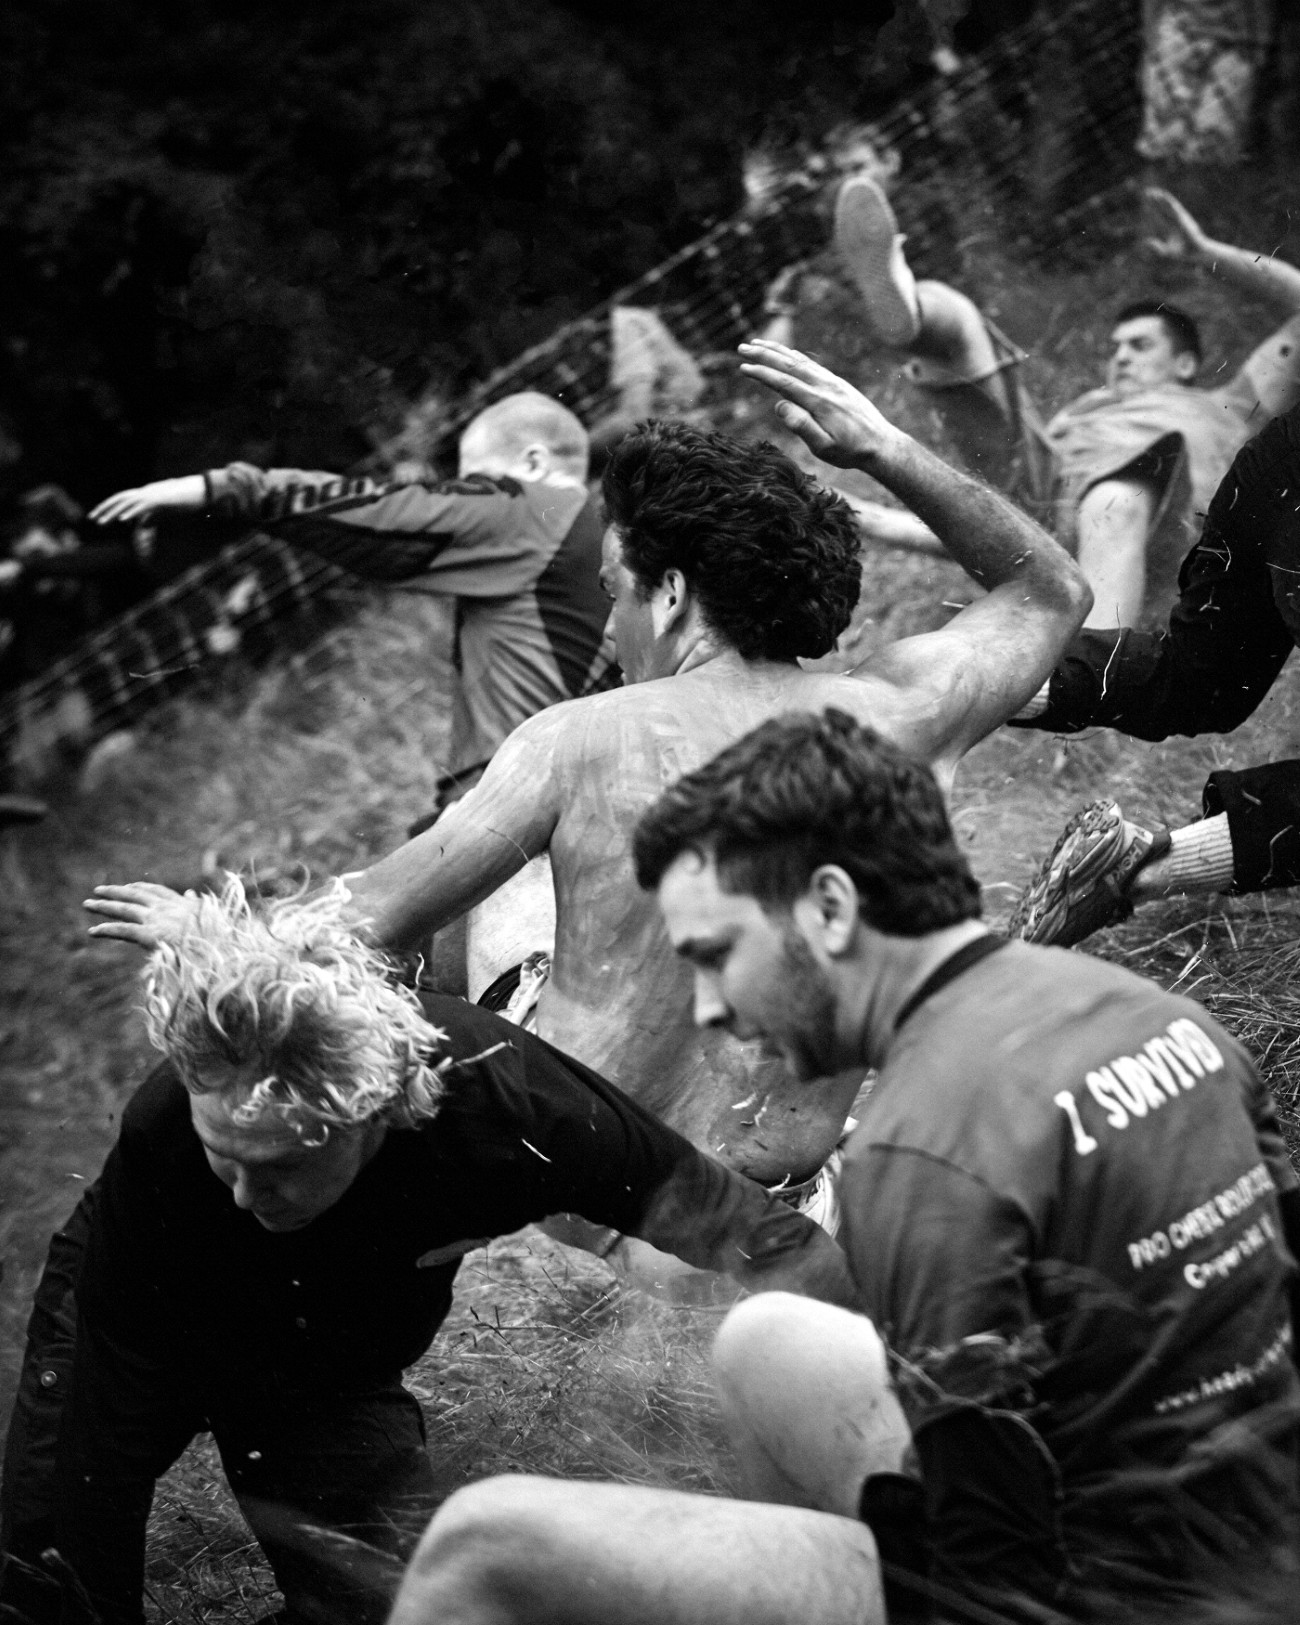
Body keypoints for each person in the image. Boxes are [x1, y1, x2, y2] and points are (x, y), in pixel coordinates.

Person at [85, 341, 1089, 1255]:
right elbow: (1049, 589)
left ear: (671, 593)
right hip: (784, 1175)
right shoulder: (904, 705)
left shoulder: (572, 741)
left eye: (614, 586)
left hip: (604, 1198)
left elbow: (366, 916)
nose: (611, 616)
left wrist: (210, 926)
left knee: (477, 885)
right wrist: (881, 447)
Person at [384, 708, 1300, 1625]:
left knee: (481, 1541)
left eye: (716, 955)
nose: (710, 1008)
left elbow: (989, 1569)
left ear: (828, 907)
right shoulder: (1167, 1020)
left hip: (1113, 1592)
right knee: (765, 1335)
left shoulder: (922, 1152)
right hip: (1258, 1527)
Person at [0, 875, 853, 1625]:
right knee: (48, 1578)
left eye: (282, 1166)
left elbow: (740, 1225)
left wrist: (912, 1360)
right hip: (143, 1313)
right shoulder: (165, 1135)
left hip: (321, 1356)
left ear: (376, 1110)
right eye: (225, 1155)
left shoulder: (510, 1106)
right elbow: (102, 1420)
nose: (246, 1196)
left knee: (394, 1600)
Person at [88, 391, 618, 822]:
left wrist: (229, 489)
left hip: (509, 803)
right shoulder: (607, 539)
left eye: (479, 478)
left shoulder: (530, 510)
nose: (473, 492)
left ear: (532, 463)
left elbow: (382, 516)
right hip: (591, 786)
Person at [834, 175, 1300, 630]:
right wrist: (869, 518)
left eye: (1139, 346)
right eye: (1114, 348)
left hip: (1152, 519)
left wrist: (1205, 252)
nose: (1119, 357)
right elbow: (996, 522)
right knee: (961, 319)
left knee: (1117, 496)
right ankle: (911, 312)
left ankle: (1096, 675)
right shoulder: (1078, 416)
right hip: (1052, 504)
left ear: (1184, 364)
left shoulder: (1231, 403)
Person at [1009, 400, 1300, 947]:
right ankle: (1144, 871)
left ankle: (1132, 868)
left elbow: (1198, 678)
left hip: (1281, 456)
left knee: (1199, 677)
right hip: (1279, 465)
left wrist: (995, 677)